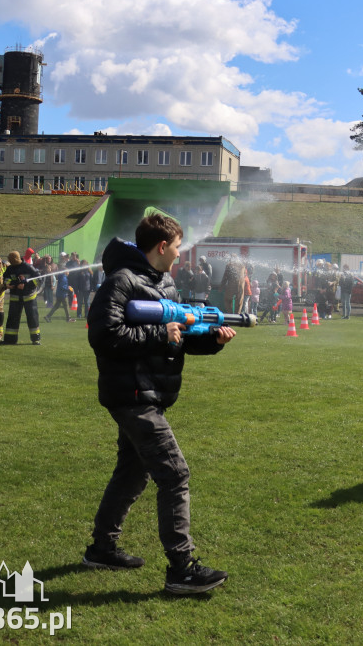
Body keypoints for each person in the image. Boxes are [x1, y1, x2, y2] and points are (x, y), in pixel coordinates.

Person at [84, 213, 233, 594]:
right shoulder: (121, 281)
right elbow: (105, 334)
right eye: (178, 247)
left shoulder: (162, 283)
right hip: (133, 395)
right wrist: (159, 333)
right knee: (175, 474)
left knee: (132, 473)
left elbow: (175, 336)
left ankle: (102, 548)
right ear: (162, 246)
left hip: (149, 392)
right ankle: (182, 568)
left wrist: (210, 341)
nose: (181, 256)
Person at [2, 250, 42, 345]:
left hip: (29, 297)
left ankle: (35, 339)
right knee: (12, 318)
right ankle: (10, 339)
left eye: (11, 259)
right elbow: (6, 279)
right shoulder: (10, 268)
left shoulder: (28, 267)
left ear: (16, 259)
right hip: (15, 297)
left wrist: (26, 285)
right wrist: (10, 284)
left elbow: (39, 280)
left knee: (32, 317)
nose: (10, 261)